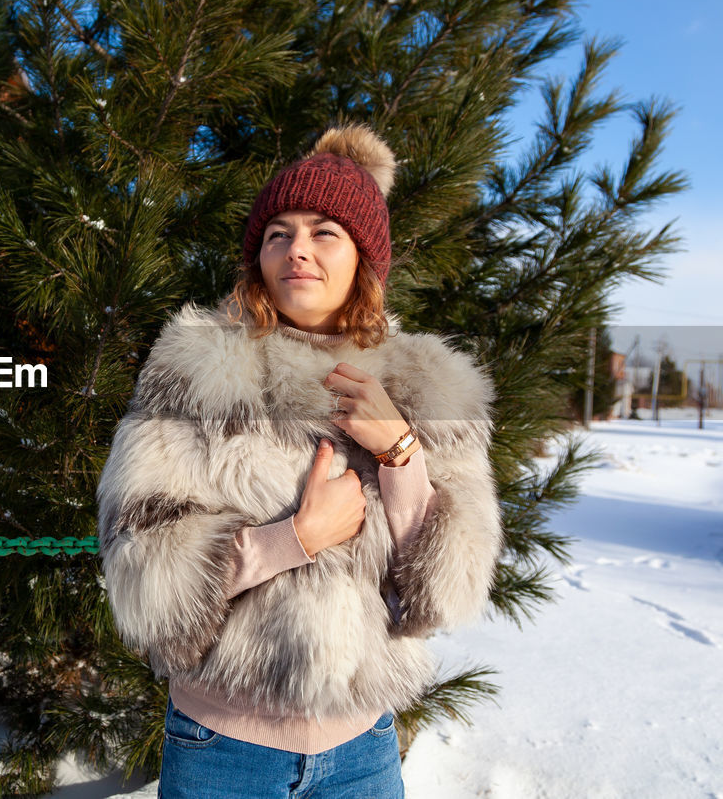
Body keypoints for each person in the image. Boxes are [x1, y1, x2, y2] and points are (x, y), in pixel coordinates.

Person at [96, 124, 503, 798]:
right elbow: (140, 568)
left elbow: (449, 590)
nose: (297, 251)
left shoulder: (428, 383)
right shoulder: (196, 368)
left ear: (366, 258)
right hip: (222, 746)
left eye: (325, 232)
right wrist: (295, 538)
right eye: (278, 233)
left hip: (362, 749)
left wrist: (400, 451)